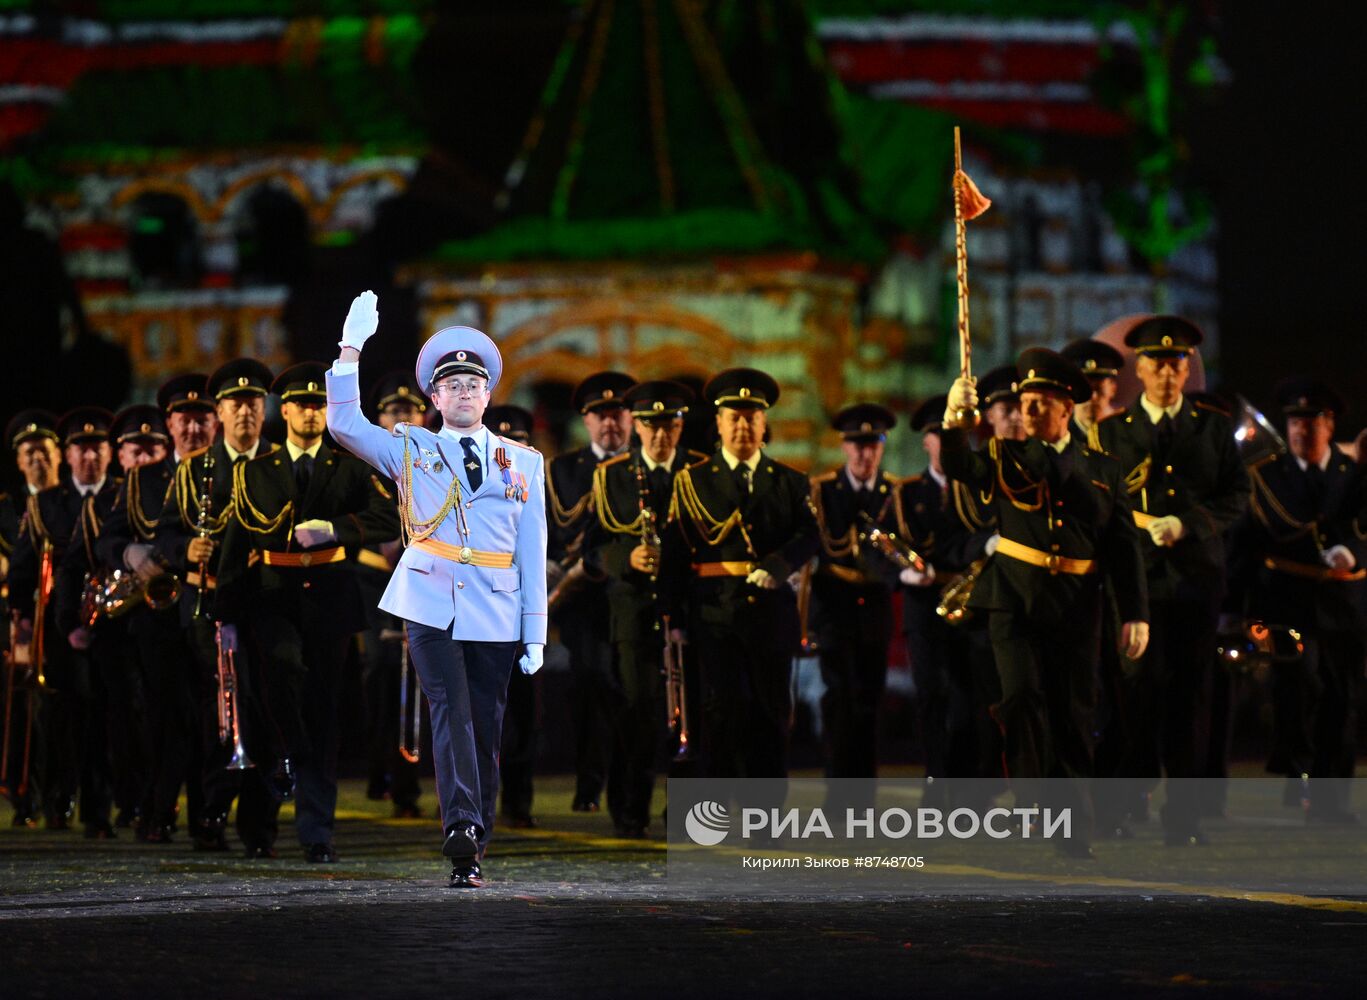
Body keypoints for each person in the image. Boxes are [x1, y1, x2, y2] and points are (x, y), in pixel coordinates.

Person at [326, 290, 548, 889]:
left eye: (473, 383)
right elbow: (343, 423)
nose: (464, 392)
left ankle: (478, 826)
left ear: (489, 393)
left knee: (485, 721)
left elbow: (533, 549)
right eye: (451, 385)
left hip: (499, 604)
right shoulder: (410, 447)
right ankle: (462, 831)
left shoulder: (523, 462)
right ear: (434, 397)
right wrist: (351, 350)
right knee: (450, 712)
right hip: (429, 598)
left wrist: (537, 633)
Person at [942, 348, 1149, 857]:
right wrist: (954, 421)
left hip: (1077, 604)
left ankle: (1073, 831)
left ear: (1065, 407)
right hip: (1013, 598)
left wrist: (1136, 612)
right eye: (1025, 401)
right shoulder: (1002, 455)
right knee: (1020, 697)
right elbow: (958, 466)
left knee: (1074, 715)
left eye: (1041, 403)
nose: (1029, 411)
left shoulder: (1102, 466)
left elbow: (1122, 545)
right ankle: (1032, 800)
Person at [217, 361, 400, 864]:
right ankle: (262, 820)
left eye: (320, 404)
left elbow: (388, 515)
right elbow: (236, 542)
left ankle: (316, 831)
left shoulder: (351, 464)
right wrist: (225, 615)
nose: (311, 413)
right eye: (301, 404)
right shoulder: (255, 470)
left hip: (329, 599)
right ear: (286, 410)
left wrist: (337, 528)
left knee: (321, 714)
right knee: (275, 696)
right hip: (271, 597)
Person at [1095, 316, 1250, 846]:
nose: (1166, 372)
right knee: (1133, 697)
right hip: (1135, 585)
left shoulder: (1211, 430)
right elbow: (1100, 503)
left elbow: (1236, 496)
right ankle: (1123, 804)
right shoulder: (1113, 433)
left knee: (1191, 700)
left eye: (1176, 362)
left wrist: (1189, 524)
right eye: (1156, 362)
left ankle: (1182, 817)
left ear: (1187, 370)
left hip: (1194, 583)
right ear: (1138, 368)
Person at [659, 368, 819, 788]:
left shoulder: (789, 481)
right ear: (719, 423)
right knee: (723, 710)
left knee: (770, 712)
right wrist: (673, 617)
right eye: (735, 417)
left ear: (764, 424)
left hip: (771, 614)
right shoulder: (692, 481)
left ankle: (765, 816)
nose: (743, 426)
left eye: (752, 418)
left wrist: (780, 565)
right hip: (714, 613)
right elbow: (675, 554)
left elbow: (809, 535)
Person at [154, 359, 282, 858]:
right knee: (224, 716)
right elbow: (164, 532)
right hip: (208, 611)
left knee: (265, 716)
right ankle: (210, 815)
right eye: (234, 403)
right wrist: (184, 548)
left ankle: (259, 828)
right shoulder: (194, 469)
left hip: (268, 608)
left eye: (253, 402)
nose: (245, 411)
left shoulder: (280, 461)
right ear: (221, 412)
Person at [1230, 377, 1366, 822]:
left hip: (1343, 602)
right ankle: (1302, 776)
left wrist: (1353, 551)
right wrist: (1236, 608)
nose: (1300, 431)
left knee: (1342, 700)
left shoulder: (1353, 474)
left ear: (1329, 425)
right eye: (1293, 423)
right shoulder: (1268, 476)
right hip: (1288, 602)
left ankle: (1331, 799)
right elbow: (1250, 543)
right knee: (1300, 688)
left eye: (1310, 422)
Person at [583, 381, 705, 836]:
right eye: (651, 425)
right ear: (636, 425)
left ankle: (689, 817)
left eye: (669, 425)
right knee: (635, 710)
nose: (660, 435)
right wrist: (626, 558)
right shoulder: (611, 474)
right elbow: (593, 551)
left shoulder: (699, 470)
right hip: (633, 610)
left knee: (689, 711)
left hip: (689, 610)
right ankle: (630, 808)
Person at [97, 378, 215, 842]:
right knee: (166, 715)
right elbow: (110, 536)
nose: (192, 427)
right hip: (157, 615)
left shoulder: (225, 471)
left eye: (201, 418)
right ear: (169, 424)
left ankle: (208, 815)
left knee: (210, 717)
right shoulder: (145, 477)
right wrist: (129, 555)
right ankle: (160, 807)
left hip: (208, 607)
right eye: (183, 419)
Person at [11, 407, 120, 835]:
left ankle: (100, 810)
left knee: (107, 719)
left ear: (108, 454)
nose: (89, 457)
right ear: (69, 456)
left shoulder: (120, 495)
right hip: (60, 631)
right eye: (80, 449)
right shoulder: (45, 505)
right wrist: (20, 617)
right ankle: (59, 799)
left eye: (97, 448)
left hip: (113, 625)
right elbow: (22, 571)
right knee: (64, 719)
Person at [895, 395, 999, 808]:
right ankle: (936, 784)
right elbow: (882, 544)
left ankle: (973, 789)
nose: (945, 442)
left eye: (952, 434)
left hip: (970, 604)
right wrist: (899, 573)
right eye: (939, 435)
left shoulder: (977, 490)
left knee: (973, 699)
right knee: (931, 697)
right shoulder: (905, 493)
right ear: (926, 442)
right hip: (924, 607)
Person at [548, 371, 636, 813]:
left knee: (629, 691)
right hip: (581, 600)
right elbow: (548, 532)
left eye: (618, 414)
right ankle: (589, 778)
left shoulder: (641, 466)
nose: (610, 425)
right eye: (600, 416)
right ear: (586, 421)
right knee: (591, 684)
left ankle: (622, 789)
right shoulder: (562, 470)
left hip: (631, 594)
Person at [808, 403, 903, 782]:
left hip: (874, 604)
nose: (865, 454)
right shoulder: (824, 489)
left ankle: (864, 791)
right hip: (834, 603)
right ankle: (838, 785)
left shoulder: (894, 491)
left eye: (872, 445)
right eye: (857, 445)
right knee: (838, 698)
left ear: (881, 448)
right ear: (845, 447)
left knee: (869, 699)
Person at [357, 372, 423, 818]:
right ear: (378, 418)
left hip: (420, 581)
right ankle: (376, 769)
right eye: (393, 412)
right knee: (375, 678)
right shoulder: (362, 463)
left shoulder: (431, 461)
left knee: (417, 686)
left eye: (411, 411)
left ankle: (407, 785)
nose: (402, 418)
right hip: (371, 582)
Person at [1, 410, 61, 827]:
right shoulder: (7, 509)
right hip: (21, 624)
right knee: (23, 712)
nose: (38, 458)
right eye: (29, 452)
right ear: (19, 461)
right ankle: (25, 795)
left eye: (44, 450)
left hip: (65, 620)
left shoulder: (73, 502)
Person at [487, 404, 541, 829]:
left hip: (524, 608)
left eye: (520, 440)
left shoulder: (536, 477)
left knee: (523, 710)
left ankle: (519, 800)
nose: (513, 448)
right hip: (487, 606)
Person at [1061, 338, 1126, 447]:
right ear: (1069, 391)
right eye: (1085, 390)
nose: (1093, 397)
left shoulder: (1125, 438)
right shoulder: (1058, 437)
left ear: (1113, 389)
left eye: (1099, 389)